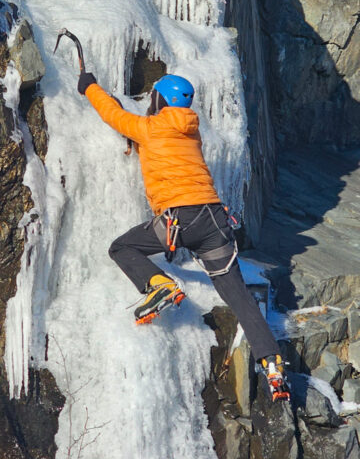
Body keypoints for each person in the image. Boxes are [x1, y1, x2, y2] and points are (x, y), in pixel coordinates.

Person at [78, 70, 290, 402]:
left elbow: (114, 116)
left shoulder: (149, 128)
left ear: (159, 99)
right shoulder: (191, 132)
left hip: (181, 218)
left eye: (154, 97)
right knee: (239, 297)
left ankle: (159, 285)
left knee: (123, 248)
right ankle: (273, 365)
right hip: (216, 223)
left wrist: (89, 87)